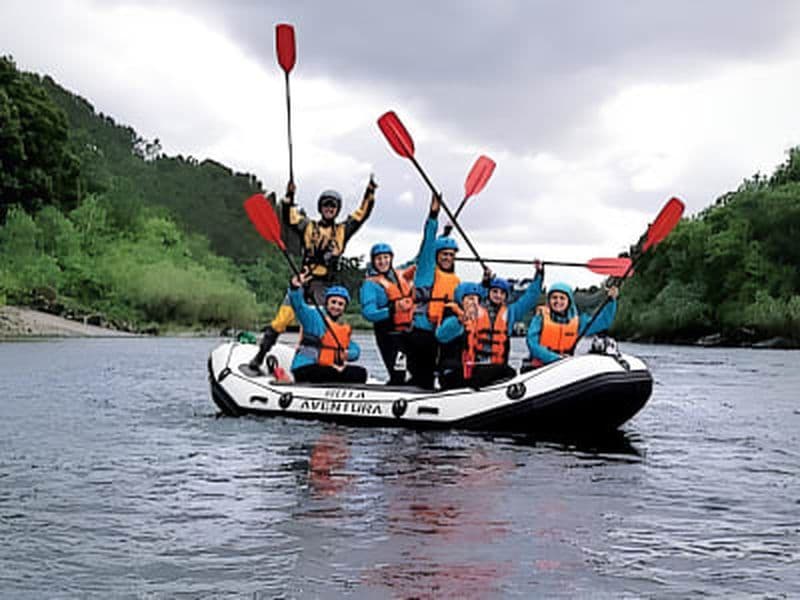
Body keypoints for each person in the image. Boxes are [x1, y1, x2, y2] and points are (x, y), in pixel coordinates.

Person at [249, 177, 377, 370]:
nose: (329, 209)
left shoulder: (343, 230)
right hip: (303, 281)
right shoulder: (307, 227)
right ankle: (259, 357)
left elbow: (361, 215)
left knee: (322, 326)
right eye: (326, 206)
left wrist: (369, 194)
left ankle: (325, 362)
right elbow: (289, 216)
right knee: (281, 320)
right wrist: (290, 196)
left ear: (337, 210)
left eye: (333, 206)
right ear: (320, 208)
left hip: (324, 287)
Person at [436, 265, 543, 390]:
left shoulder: (510, 313)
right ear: (488, 293)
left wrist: (539, 275)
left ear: (506, 296)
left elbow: (530, 298)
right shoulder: (474, 309)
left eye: (502, 293)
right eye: (495, 291)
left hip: (494, 368)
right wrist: (485, 282)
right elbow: (473, 294)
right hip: (472, 368)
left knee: (509, 372)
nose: (498, 295)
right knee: (507, 372)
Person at [404, 193, 460, 389]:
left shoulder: (455, 281)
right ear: (436, 255)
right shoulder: (426, 270)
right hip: (421, 331)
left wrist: (486, 282)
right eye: (444, 254)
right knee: (422, 376)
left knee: (437, 374)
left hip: (442, 335)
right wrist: (433, 215)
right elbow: (428, 243)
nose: (447, 258)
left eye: (451, 255)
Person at [287, 271, 368, 384]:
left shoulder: (341, 328)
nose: (336, 306)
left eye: (340, 304)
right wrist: (295, 288)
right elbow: (298, 305)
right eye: (333, 302)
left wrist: (347, 354)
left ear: (344, 308)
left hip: (331, 369)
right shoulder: (312, 316)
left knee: (361, 373)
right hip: (306, 367)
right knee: (328, 372)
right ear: (327, 303)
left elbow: (355, 350)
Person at [524, 282, 619, 369]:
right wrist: (556, 358)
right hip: (540, 368)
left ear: (568, 301)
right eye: (554, 298)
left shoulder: (577, 322)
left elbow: (603, 322)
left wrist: (611, 301)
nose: (558, 301)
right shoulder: (540, 318)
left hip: (565, 367)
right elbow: (532, 344)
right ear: (549, 300)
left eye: (562, 298)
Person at [360, 242, 416, 384]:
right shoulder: (370, 284)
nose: (383, 261)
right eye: (379, 258)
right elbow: (369, 313)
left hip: (407, 331)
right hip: (388, 334)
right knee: (398, 373)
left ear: (391, 259)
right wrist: (393, 310)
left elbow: (420, 260)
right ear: (373, 261)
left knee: (418, 370)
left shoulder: (400, 275)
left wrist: (443, 235)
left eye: (386, 257)